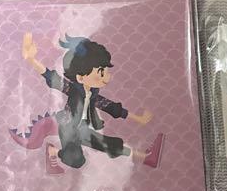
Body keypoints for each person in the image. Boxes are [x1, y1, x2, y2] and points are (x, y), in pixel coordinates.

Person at [16, 32, 162, 172]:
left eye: (106, 71)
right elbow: (52, 77)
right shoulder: (72, 89)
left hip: (82, 128)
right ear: (80, 77)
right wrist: (31, 59)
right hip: (68, 128)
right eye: (101, 73)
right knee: (77, 160)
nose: (107, 77)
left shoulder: (93, 94)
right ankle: (53, 151)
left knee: (108, 144)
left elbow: (111, 107)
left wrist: (139, 118)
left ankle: (146, 158)